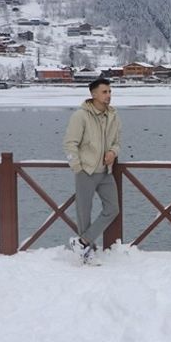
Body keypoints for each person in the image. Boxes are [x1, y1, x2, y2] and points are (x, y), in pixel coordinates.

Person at [63, 78, 121, 264]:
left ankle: (82, 242)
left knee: (112, 209)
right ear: (93, 94)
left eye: (110, 92)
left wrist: (113, 152)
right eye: (104, 92)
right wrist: (77, 167)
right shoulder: (80, 116)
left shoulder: (113, 116)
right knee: (84, 214)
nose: (108, 96)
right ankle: (86, 253)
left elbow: (117, 142)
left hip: (106, 172)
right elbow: (70, 143)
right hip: (86, 171)